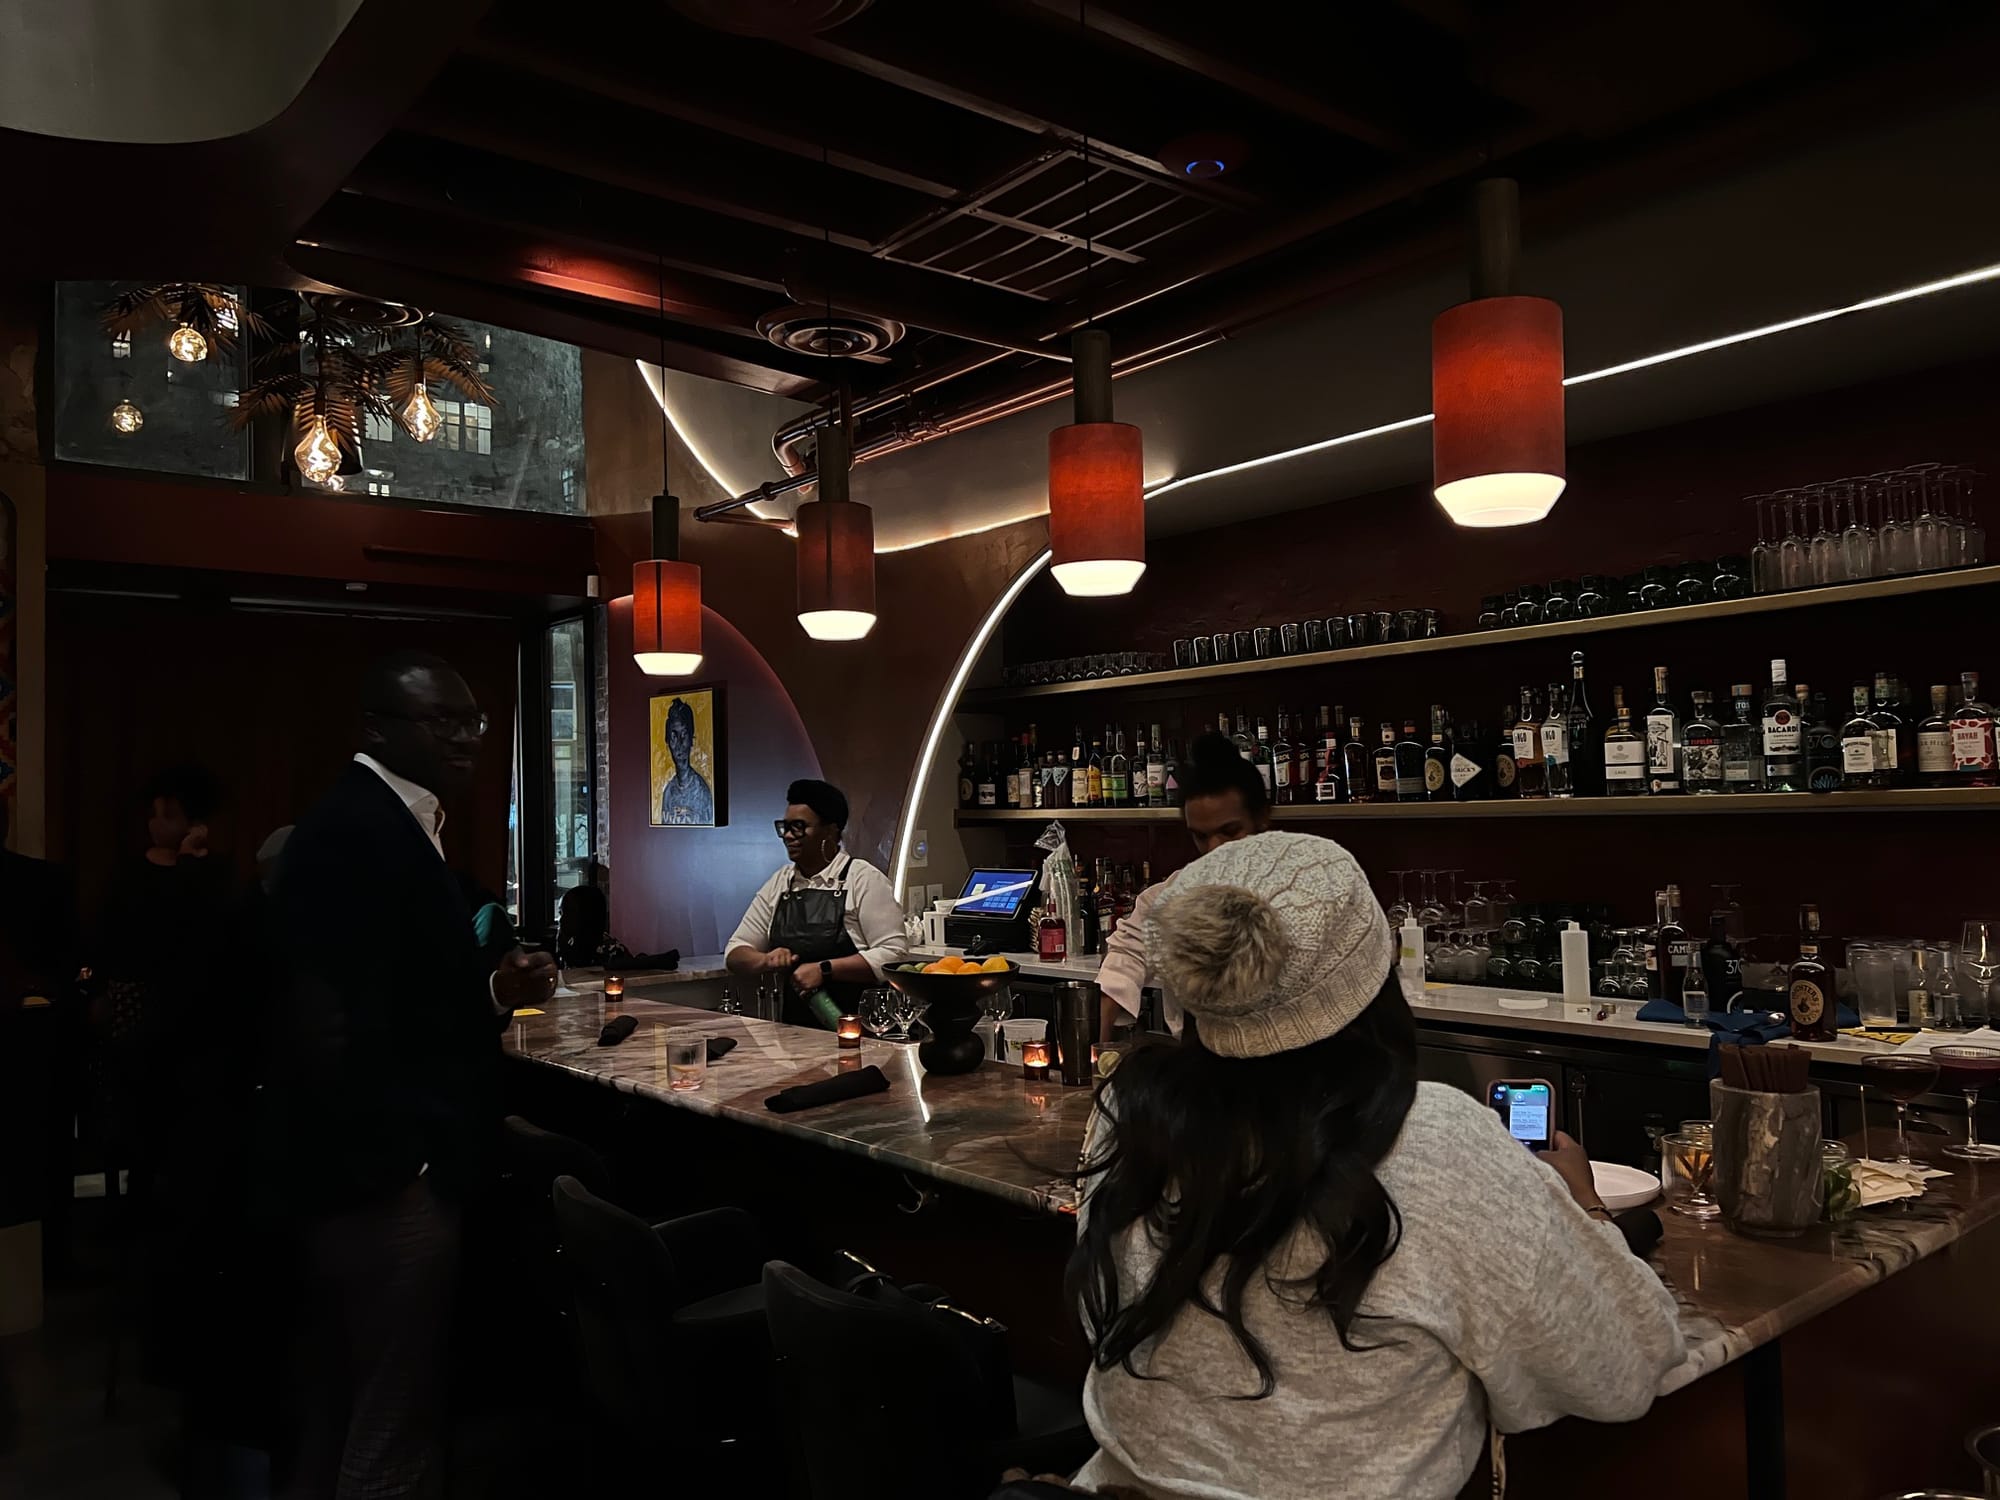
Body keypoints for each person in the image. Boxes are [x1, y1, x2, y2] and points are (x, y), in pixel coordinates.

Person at [1068, 833, 1685, 1500]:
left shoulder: (1131, 1115)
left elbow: (1093, 1320)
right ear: (1374, 975)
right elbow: (1623, 1367)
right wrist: (1583, 1206)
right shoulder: (1439, 1143)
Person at [270, 651, 556, 1499]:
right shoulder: (359, 830)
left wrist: (493, 991)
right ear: (376, 730)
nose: (469, 738)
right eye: (445, 722)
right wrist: (406, 1168)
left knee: (353, 1408)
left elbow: (398, 996)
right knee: (393, 1422)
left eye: (473, 721)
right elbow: (323, 1025)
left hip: (375, 1174)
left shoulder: (392, 822)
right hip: (382, 1185)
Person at [1098, 731, 1271, 1040]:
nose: (1215, 848)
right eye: (1201, 836)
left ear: (1262, 819)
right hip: (1200, 1064)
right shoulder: (1169, 896)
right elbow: (1127, 955)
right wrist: (1098, 1050)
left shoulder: (1300, 891)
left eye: (1230, 831)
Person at [724, 778, 907, 1026]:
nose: (788, 836)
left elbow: (892, 954)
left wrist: (824, 970)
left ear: (830, 831)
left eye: (799, 827)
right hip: (797, 1030)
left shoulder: (862, 879)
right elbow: (736, 952)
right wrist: (765, 960)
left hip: (863, 1025)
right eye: (785, 827)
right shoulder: (780, 883)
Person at [656, 696, 715, 826]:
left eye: (684, 735)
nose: (679, 744)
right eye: (673, 737)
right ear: (667, 742)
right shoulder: (668, 793)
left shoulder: (702, 792)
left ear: (691, 739)